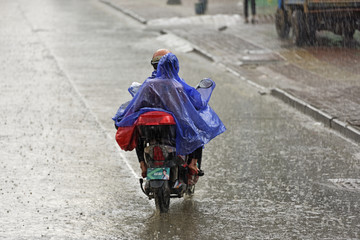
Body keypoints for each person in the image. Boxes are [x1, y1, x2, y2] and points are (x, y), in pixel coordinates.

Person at [113, 49, 226, 178]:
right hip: (173, 128)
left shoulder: (148, 84)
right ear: (174, 66)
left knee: (139, 133)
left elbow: (135, 106)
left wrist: (123, 118)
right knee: (197, 131)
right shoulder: (178, 85)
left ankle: (143, 164)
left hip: (149, 127)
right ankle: (193, 163)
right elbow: (192, 105)